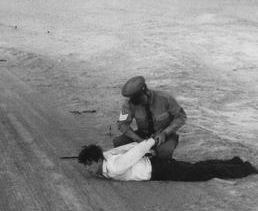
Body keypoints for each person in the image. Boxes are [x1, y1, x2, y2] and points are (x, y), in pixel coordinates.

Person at [78, 138, 257, 181]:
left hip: (158, 170)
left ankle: (246, 168)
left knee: (203, 173)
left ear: (97, 160)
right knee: (197, 167)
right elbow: (120, 149)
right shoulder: (106, 158)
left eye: (88, 164)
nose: (87, 169)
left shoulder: (114, 167)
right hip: (156, 166)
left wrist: (150, 142)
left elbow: (133, 152)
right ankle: (235, 161)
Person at [114, 76, 186, 159]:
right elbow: (123, 124)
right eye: (137, 103)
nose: (140, 104)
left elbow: (181, 117)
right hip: (142, 135)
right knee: (118, 142)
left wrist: (165, 133)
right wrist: (139, 141)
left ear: (146, 92)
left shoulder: (166, 98)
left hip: (165, 135)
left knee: (164, 151)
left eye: (141, 100)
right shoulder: (128, 104)